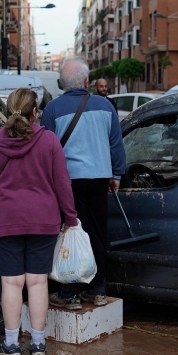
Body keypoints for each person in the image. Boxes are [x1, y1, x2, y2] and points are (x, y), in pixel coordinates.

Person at [0, 88, 79, 355]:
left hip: (6, 219)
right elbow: (63, 184)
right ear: (35, 112)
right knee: (37, 283)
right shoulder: (48, 141)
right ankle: (37, 344)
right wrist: (70, 217)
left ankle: (11, 345)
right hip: (43, 220)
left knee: (11, 283)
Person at [42, 57, 125, 309]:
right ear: (87, 81)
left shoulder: (52, 109)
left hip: (68, 182)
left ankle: (70, 293)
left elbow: (46, 149)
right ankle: (97, 290)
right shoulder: (105, 106)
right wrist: (117, 174)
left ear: (62, 83)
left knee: (71, 233)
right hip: (100, 179)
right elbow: (116, 144)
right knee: (98, 234)